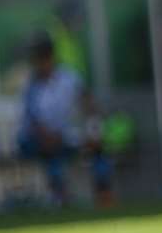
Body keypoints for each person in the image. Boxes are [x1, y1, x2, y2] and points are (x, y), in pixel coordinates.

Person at [17, 36, 113, 207]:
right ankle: (61, 197)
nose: (39, 64)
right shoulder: (32, 87)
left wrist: (93, 132)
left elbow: (90, 106)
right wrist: (54, 138)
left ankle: (103, 194)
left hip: (65, 138)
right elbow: (35, 126)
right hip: (37, 141)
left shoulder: (69, 78)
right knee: (51, 152)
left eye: (42, 58)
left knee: (97, 149)